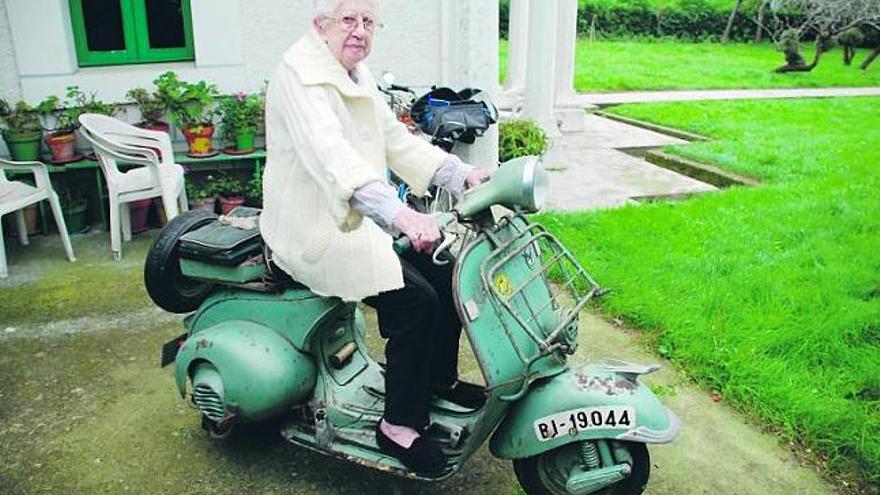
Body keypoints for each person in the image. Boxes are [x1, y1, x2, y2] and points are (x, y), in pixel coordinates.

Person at [260, 0, 492, 475]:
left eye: (368, 21)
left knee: (449, 271)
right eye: (348, 19)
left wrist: (462, 175)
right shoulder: (300, 77)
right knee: (415, 303)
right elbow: (333, 159)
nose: (360, 30)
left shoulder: (353, 73)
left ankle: (437, 380)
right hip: (314, 228)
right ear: (320, 25)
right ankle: (398, 424)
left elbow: (396, 140)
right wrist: (402, 216)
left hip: (356, 218)